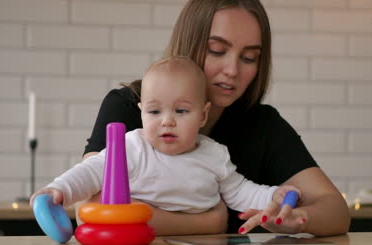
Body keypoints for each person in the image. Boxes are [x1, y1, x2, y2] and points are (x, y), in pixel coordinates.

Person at [81, 0, 350, 236]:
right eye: (217, 51)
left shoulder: (262, 125)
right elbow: (91, 206)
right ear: (190, 43)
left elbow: (335, 209)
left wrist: (300, 220)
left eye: (249, 58)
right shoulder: (127, 107)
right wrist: (212, 220)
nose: (232, 70)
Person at [30, 56, 300, 224]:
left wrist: (273, 196)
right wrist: (60, 190)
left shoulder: (214, 154)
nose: (167, 121)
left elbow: (240, 191)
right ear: (141, 113)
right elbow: (91, 172)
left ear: (203, 115)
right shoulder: (132, 146)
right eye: (155, 111)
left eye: (181, 111)